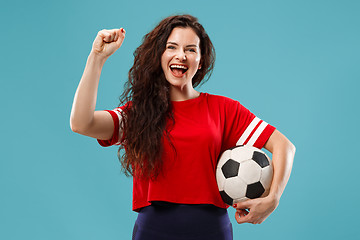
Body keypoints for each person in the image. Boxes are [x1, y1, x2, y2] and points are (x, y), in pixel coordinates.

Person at [70, 14, 295, 240]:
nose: (181, 55)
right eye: (172, 47)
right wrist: (96, 58)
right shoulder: (139, 112)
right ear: (159, 55)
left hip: (212, 231)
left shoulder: (223, 109)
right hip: (153, 231)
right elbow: (81, 123)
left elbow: (284, 146)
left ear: (200, 60)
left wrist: (272, 199)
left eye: (190, 49)